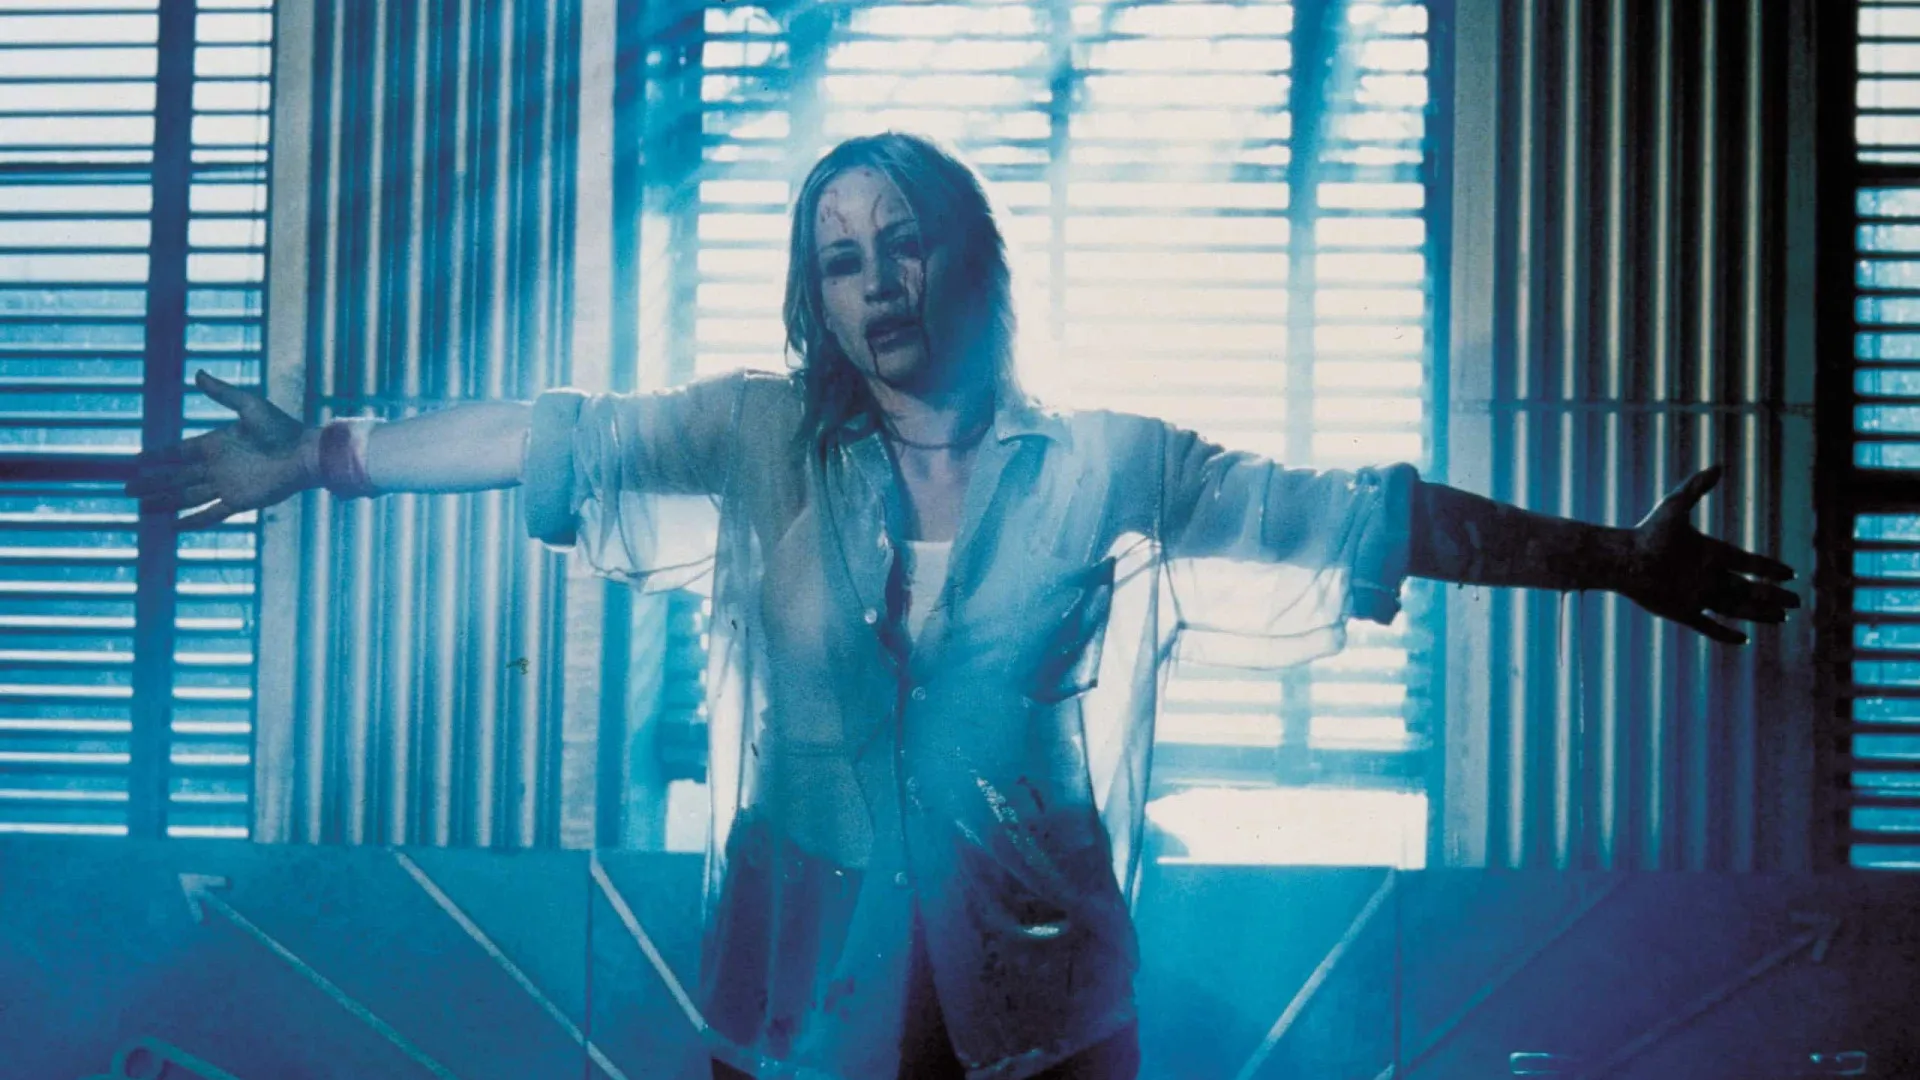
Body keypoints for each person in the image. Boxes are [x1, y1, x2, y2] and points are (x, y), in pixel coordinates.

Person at [127, 131, 1797, 1080]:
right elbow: (548, 433)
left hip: (1043, 982)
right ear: (815, 293)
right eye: (840, 255)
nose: (876, 280)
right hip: (800, 978)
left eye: (904, 240)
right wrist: (323, 455)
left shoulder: (1113, 465)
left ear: (970, 256)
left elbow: (1363, 515)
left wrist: (1615, 556)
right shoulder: (756, 435)